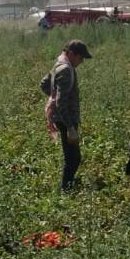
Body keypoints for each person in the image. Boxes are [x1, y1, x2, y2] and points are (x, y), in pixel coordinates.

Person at [40, 39, 92, 192]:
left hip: (62, 118)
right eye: (80, 57)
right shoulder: (66, 69)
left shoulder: (59, 64)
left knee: (72, 157)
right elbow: (61, 103)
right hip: (66, 119)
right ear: (71, 54)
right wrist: (70, 127)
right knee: (73, 159)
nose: (81, 61)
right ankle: (66, 190)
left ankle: (68, 185)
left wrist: (53, 95)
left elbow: (44, 83)